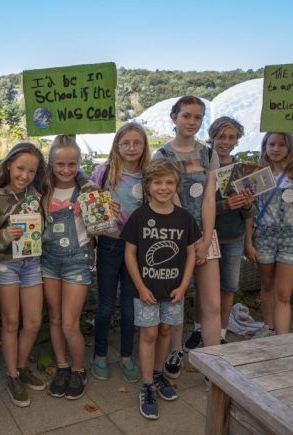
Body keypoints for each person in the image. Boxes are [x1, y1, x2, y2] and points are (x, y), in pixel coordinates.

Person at [122, 159, 200, 419]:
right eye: (157, 182)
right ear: (147, 186)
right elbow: (130, 254)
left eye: (169, 182)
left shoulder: (184, 218)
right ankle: (146, 386)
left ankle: (157, 375)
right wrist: (141, 287)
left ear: (176, 185)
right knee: (149, 334)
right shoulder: (140, 217)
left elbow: (190, 253)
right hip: (147, 290)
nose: (163, 187)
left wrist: (185, 284)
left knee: (166, 330)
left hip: (175, 290)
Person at [154, 96, 220, 378]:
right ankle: (175, 351)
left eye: (197, 117)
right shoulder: (162, 156)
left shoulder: (208, 154)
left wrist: (205, 240)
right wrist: (190, 241)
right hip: (176, 238)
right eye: (187, 116)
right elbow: (170, 201)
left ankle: (216, 365)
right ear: (174, 117)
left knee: (212, 302)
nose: (192, 122)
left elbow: (209, 199)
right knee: (175, 300)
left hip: (206, 236)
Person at [0, 142, 47, 407]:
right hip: (5, 265)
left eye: (31, 171)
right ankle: (12, 376)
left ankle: (21, 367)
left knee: (33, 322)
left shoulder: (36, 194)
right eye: (21, 168)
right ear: (9, 165)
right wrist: (3, 236)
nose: (25, 175)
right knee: (11, 323)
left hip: (31, 262)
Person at [91, 122, 151, 383]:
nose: (131, 148)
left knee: (129, 305)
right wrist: (102, 210)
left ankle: (126, 356)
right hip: (109, 243)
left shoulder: (149, 174)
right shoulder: (104, 173)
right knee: (104, 305)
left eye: (137, 143)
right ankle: (100, 355)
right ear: (116, 145)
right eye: (125, 143)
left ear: (144, 146)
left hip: (136, 247)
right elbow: (88, 207)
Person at [41, 135, 97, 399]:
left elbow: (104, 226)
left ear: (79, 164)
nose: (65, 170)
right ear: (51, 163)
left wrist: (107, 211)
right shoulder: (43, 190)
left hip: (77, 260)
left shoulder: (88, 190)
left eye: (72, 164)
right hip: (49, 260)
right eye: (60, 164)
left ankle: (78, 369)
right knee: (54, 317)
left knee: (69, 323)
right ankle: (62, 366)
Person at [249, 133, 293, 335]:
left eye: (281, 145)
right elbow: (251, 210)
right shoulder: (260, 173)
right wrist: (248, 241)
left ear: (290, 148)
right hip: (265, 236)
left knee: (284, 293)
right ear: (265, 146)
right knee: (267, 285)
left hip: (292, 237)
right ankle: (269, 329)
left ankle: (282, 340)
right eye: (271, 144)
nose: (275, 149)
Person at [208, 117, 255, 344]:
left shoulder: (241, 169)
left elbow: (249, 212)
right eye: (221, 137)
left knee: (228, 287)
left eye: (231, 137)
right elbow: (197, 207)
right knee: (205, 288)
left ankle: (221, 332)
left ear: (237, 140)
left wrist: (246, 203)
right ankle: (200, 328)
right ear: (212, 137)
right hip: (208, 236)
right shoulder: (205, 165)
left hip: (234, 237)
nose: (226, 142)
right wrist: (223, 205)